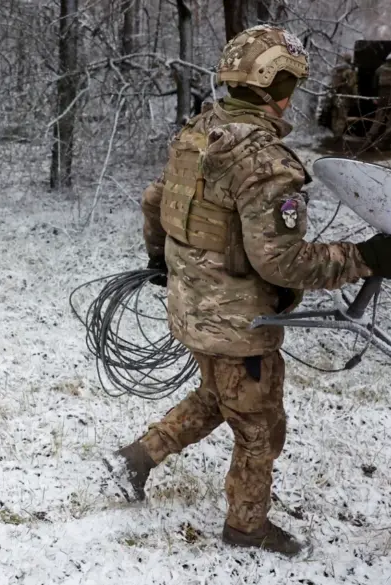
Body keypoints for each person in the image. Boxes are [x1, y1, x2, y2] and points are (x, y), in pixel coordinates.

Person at [105, 25, 391, 556]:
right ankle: (247, 528)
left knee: (218, 397)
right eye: (290, 84)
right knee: (260, 427)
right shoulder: (264, 161)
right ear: (276, 86)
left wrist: (159, 260)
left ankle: (135, 460)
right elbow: (281, 262)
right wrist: (366, 258)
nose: (292, 96)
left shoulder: (199, 132)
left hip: (193, 307)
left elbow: (154, 201)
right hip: (240, 324)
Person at [366, 53, 391, 148]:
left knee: (377, 122)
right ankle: (383, 143)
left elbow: (374, 85)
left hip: (382, 98)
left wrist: (375, 97)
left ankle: (367, 142)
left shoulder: (379, 69)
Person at [330, 54, 358, 138]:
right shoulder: (349, 72)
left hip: (335, 97)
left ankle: (334, 133)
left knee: (335, 116)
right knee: (342, 117)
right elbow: (352, 85)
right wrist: (355, 97)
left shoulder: (336, 71)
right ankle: (337, 136)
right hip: (344, 97)